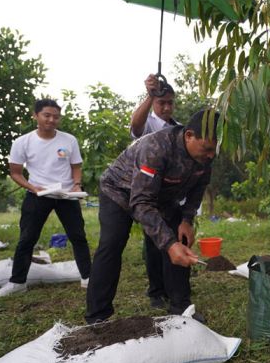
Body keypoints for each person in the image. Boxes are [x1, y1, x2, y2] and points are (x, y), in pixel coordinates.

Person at [85, 109, 219, 324]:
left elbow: (198, 187)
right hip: (120, 191)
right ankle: (97, 316)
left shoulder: (206, 156)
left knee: (179, 238)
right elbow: (141, 202)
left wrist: (186, 220)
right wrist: (168, 244)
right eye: (207, 149)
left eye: (214, 149)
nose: (211, 155)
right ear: (189, 135)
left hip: (162, 196)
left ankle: (181, 306)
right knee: (112, 243)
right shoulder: (156, 147)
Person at [0, 99, 91, 298]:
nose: (52, 120)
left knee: (78, 236)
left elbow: (76, 166)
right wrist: (32, 187)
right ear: (35, 116)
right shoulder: (23, 142)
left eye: (56, 116)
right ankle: (17, 282)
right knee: (27, 238)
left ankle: (88, 277)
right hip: (38, 194)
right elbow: (16, 172)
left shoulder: (69, 140)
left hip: (65, 195)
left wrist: (77, 183)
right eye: (47, 115)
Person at [130, 74, 186, 310]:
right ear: (154, 103)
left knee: (173, 241)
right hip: (149, 195)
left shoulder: (179, 129)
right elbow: (135, 125)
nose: (166, 107)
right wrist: (150, 94)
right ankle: (155, 291)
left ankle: (176, 291)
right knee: (153, 245)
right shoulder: (148, 125)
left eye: (170, 103)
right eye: (161, 103)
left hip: (172, 195)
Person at [130, 74, 180, 139]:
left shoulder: (180, 127)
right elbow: (136, 126)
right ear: (152, 103)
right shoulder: (147, 123)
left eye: (170, 103)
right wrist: (151, 95)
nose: (167, 108)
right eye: (161, 103)